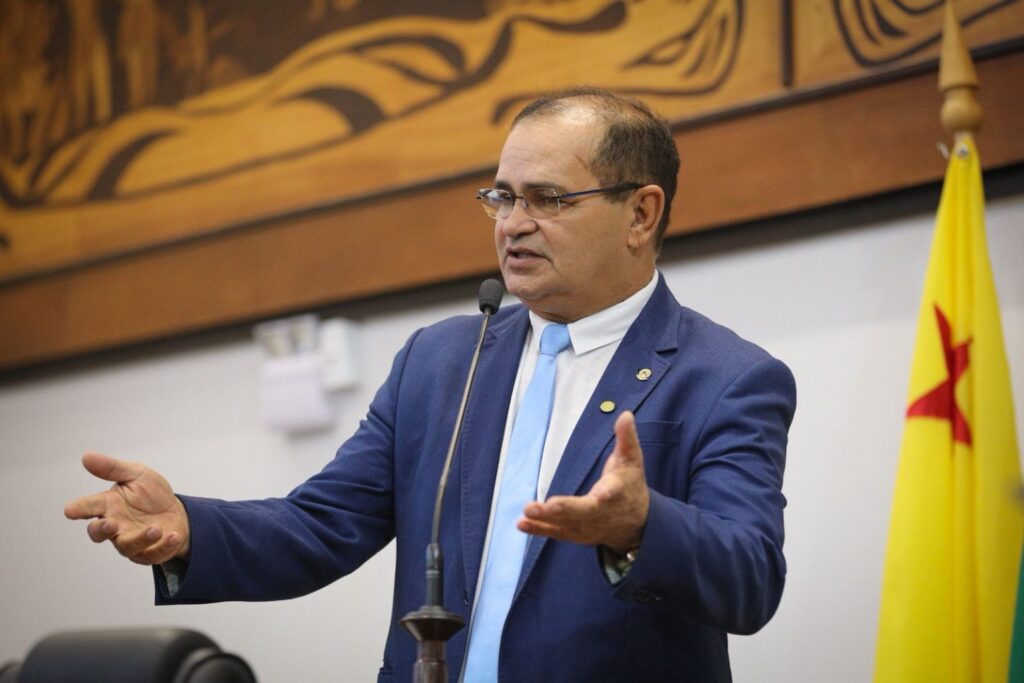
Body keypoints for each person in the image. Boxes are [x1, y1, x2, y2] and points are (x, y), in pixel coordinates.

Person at [66, 87, 796, 682]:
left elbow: (752, 578)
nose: (513, 225)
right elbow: (321, 525)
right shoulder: (441, 360)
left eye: (547, 198)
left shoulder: (725, 377)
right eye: (502, 197)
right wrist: (187, 527)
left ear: (641, 212)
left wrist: (642, 526)